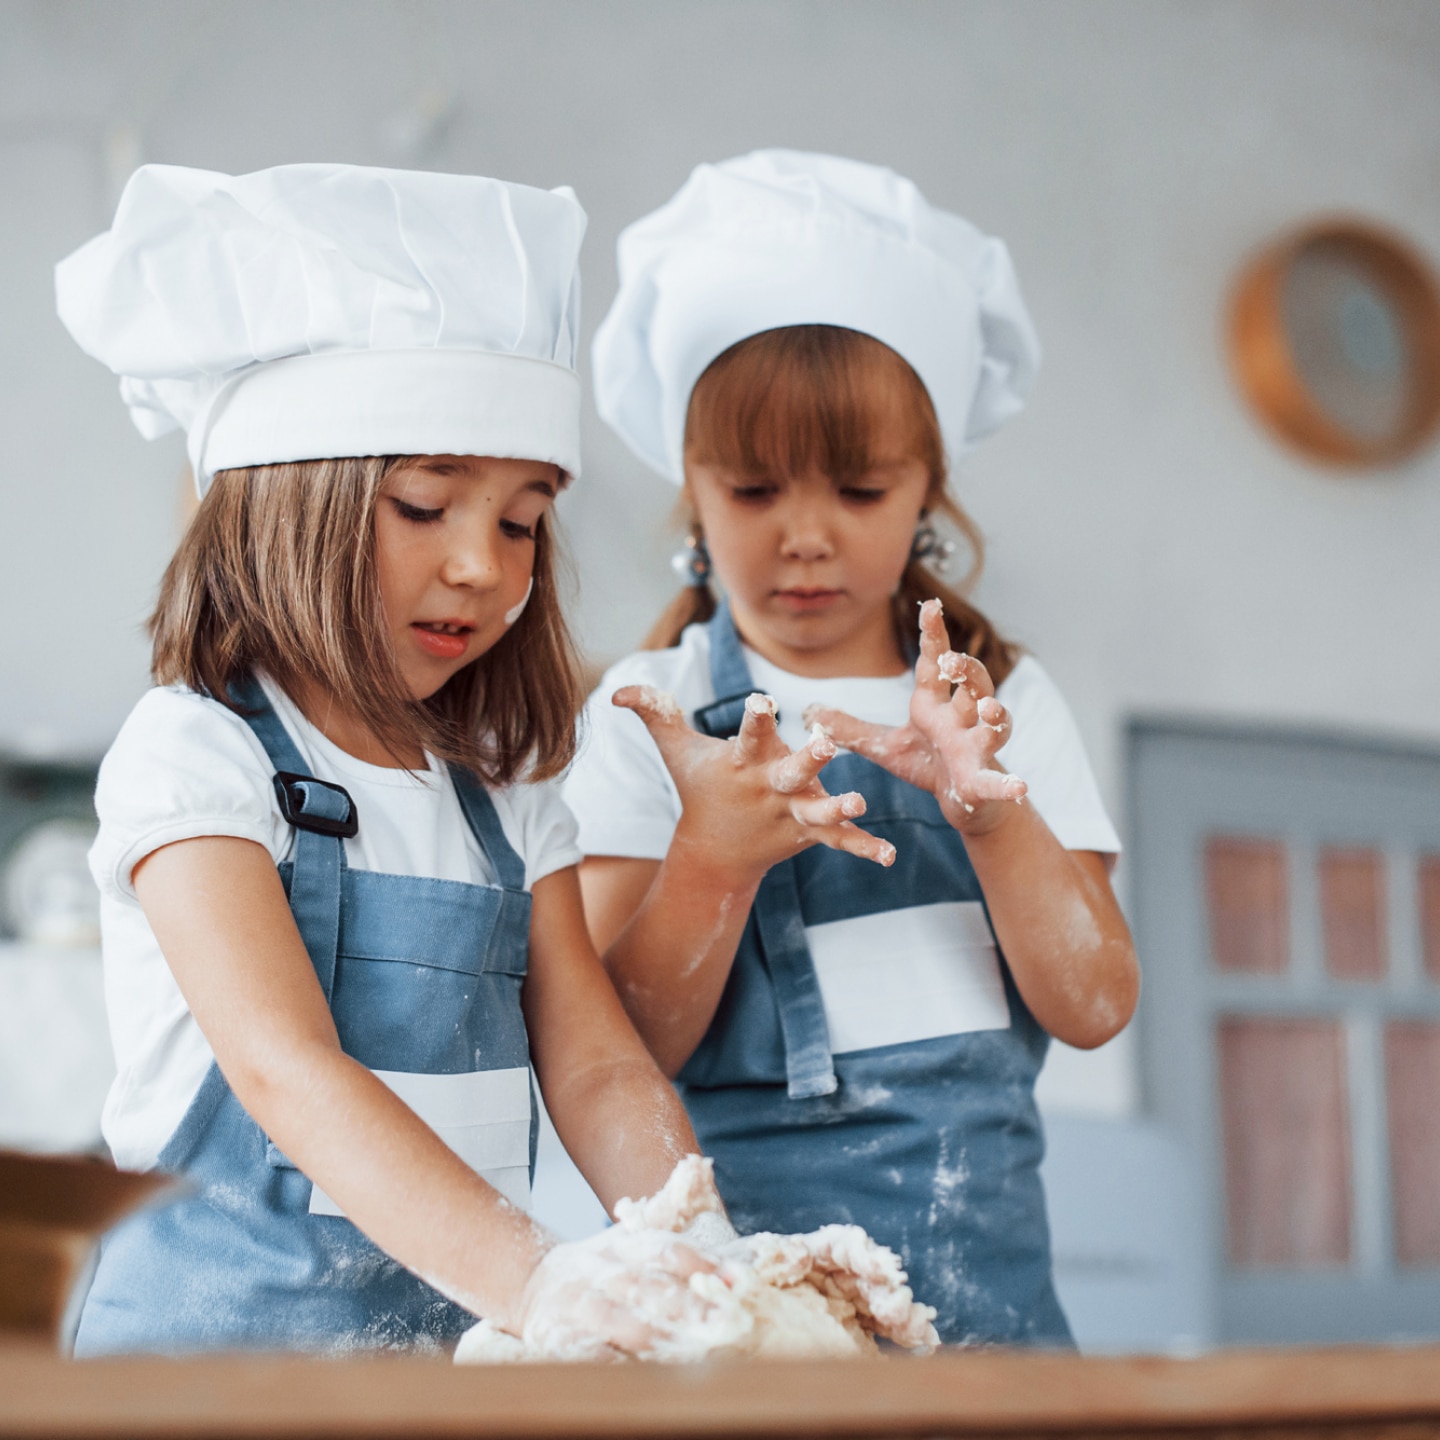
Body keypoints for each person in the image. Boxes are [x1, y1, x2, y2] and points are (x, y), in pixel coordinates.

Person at [56, 163, 717, 1357]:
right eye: (423, 506)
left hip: (431, 1378)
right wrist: (542, 1284)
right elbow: (286, 1071)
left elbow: (598, 1070)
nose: (483, 566)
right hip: (200, 1392)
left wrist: (704, 1265)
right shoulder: (198, 756)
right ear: (284, 508)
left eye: (520, 521)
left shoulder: (507, 796)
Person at [564, 150, 1140, 1347]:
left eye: (861, 490)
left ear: (928, 489)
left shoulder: (1003, 702)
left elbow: (1093, 1003)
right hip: (744, 1322)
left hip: (991, 1321)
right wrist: (712, 862)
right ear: (692, 489)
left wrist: (991, 815)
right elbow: (615, 1048)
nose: (806, 536)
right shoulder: (654, 709)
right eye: (755, 489)